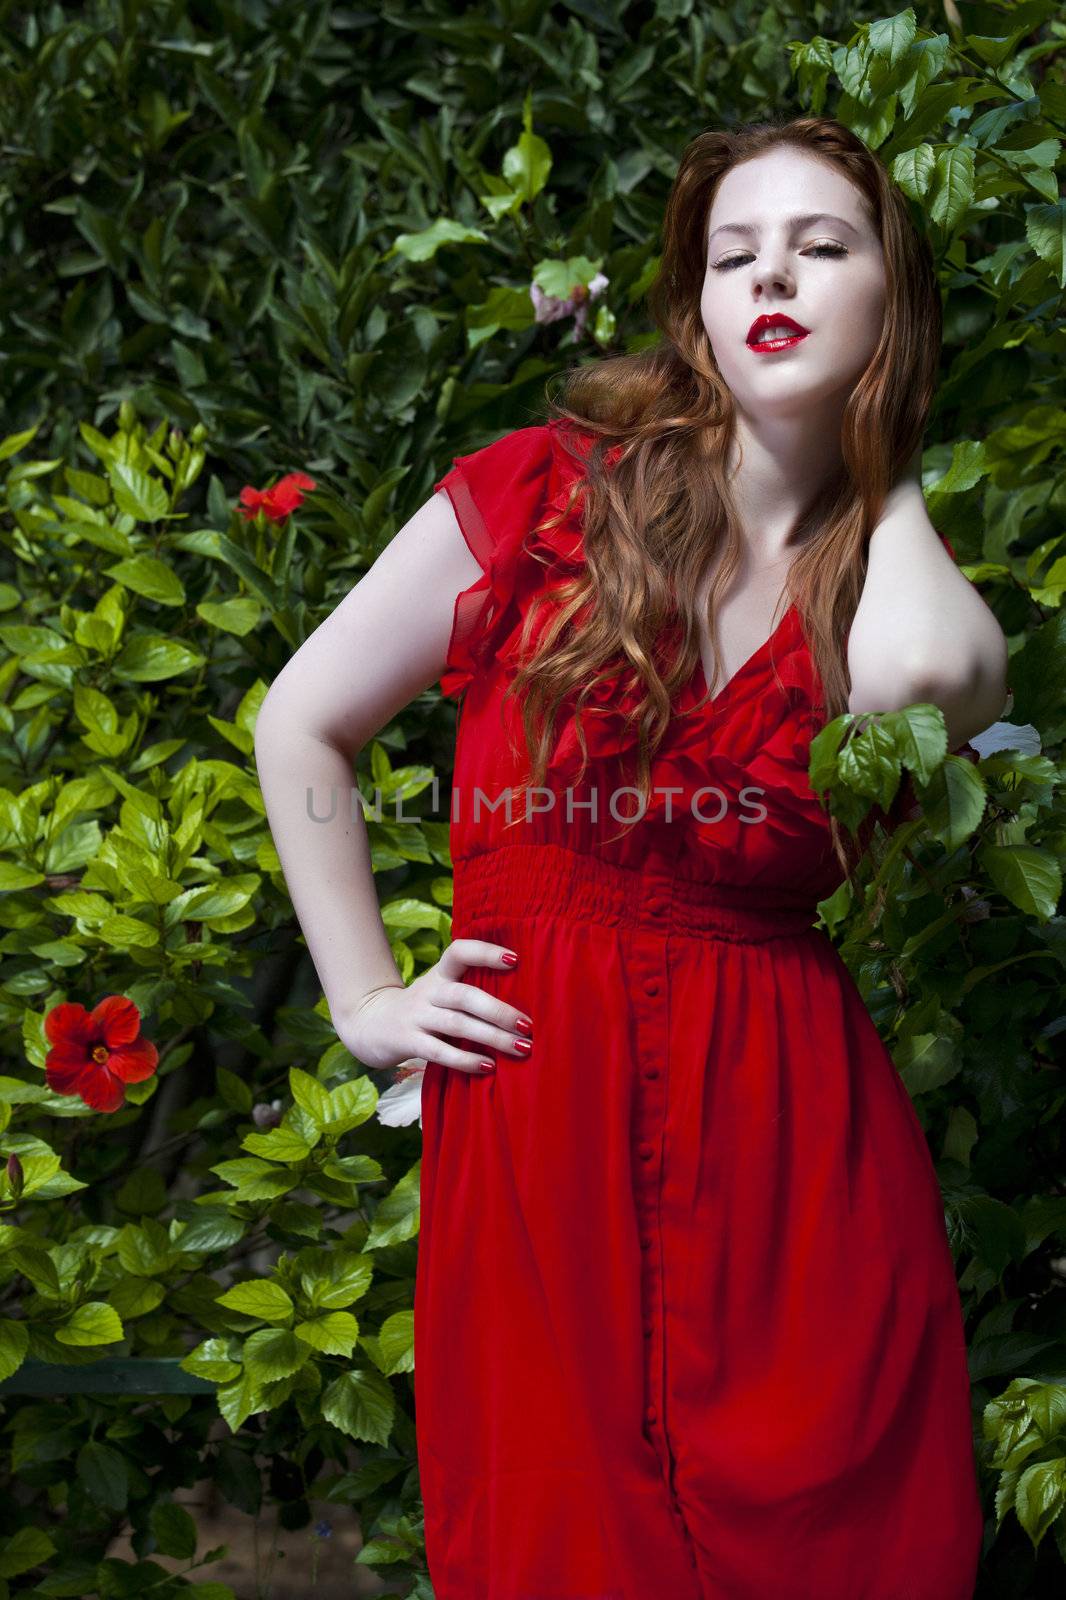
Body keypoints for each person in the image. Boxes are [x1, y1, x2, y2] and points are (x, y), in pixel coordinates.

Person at [254, 114, 1007, 1599]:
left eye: (821, 247)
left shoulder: (882, 585)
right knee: (555, 1542)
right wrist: (365, 1005)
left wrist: (882, 464)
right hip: (538, 1120)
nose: (770, 278)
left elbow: (935, 677)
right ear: (693, 305)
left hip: (792, 1139)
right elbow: (303, 726)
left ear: (889, 303)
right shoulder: (540, 495)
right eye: (733, 255)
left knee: (847, 1544)